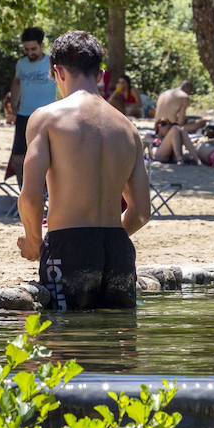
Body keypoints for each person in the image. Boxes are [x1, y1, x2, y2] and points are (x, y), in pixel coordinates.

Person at [17, 30, 150, 311]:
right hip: (118, 250)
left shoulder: (47, 119)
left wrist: (34, 242)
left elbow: (30, 197)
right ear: (100, 75)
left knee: (65, 344)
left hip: (68, 246)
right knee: (115, 346)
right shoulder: (128, 128)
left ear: (58, 72)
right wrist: (106, 238)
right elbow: (140, 212)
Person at [4, 27, 57, 179]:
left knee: (47, 157)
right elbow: (16, 82)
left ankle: (47, 194)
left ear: (42, 45)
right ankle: (23, 195)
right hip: (24, 115)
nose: (30, 53)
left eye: (33, 48)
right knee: (18, 159)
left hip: (47, 117)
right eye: (26, 49)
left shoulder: (52, 62)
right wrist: (13, 103)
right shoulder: (21, 63)